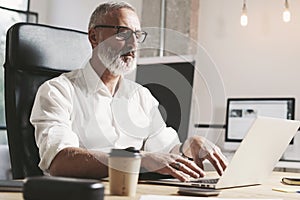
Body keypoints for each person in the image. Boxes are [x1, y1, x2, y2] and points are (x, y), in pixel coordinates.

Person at [30, 1, 227, 182]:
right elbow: (59, 161)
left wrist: (190, 146)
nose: (133, 45)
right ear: (94, 37)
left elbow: (167, 154)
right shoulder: (57, 91)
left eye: (138, 35)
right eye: (123, 33)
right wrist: (137, 159)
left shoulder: (142, 96)